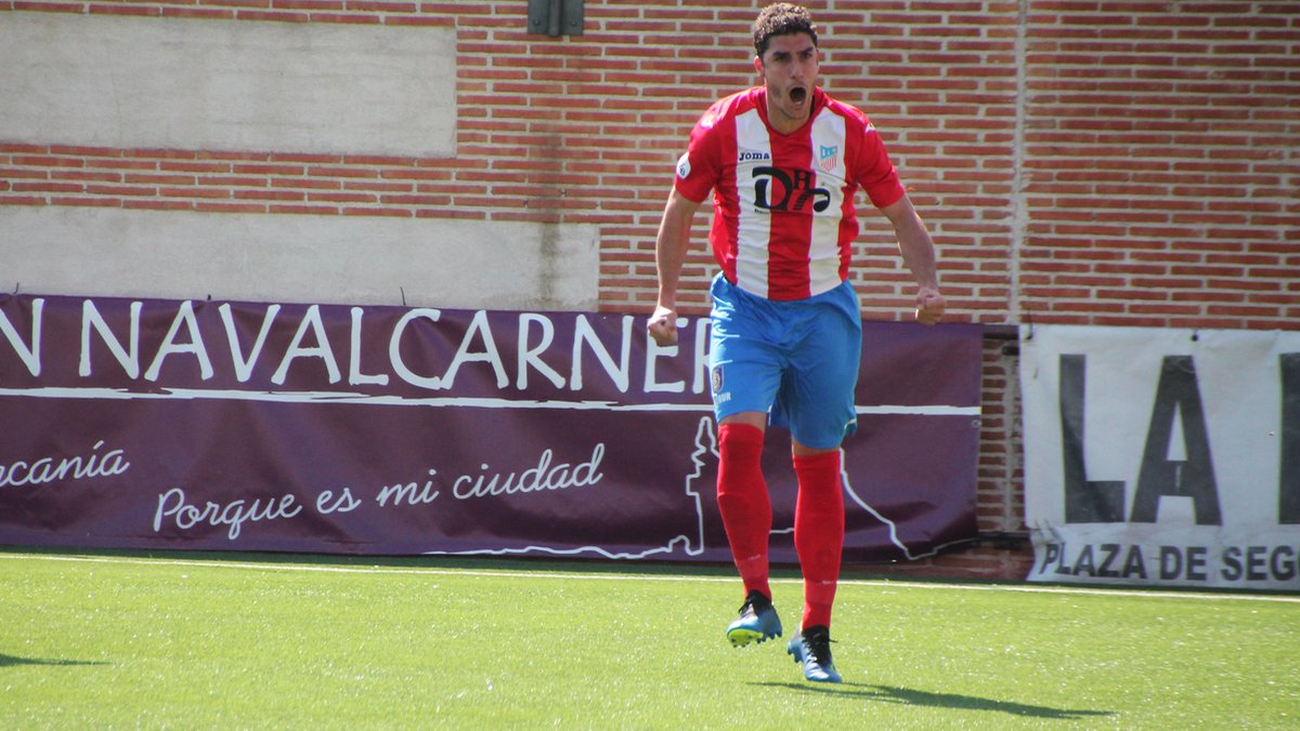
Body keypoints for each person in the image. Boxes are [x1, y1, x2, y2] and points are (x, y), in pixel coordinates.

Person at [645, 3, 945, 684]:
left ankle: (816, 632)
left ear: (818, 63)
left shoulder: (851, 133)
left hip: (823, 314)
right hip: (743, 309)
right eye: (781, 58)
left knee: (818, 461)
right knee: (737, 444)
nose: (795, 69)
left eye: (805, 56)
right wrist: (666, 298)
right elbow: (678, 211)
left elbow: (902, 217)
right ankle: (757, 596)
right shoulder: (723, 126)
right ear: (761, 68)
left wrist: (927, 283)